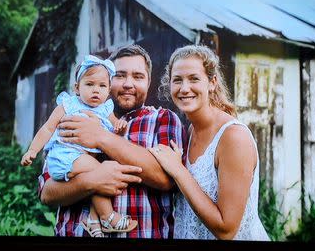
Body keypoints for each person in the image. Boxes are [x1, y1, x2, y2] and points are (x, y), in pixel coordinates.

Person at [38, 44, 187, 238]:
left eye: (138, 76)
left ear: (148, 82)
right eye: (120, 75)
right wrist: (91, 181)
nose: (128, 83)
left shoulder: (163, 119)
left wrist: (101, 137)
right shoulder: (74, 116)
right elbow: (47, 193)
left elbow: (167, 180)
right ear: (108, 82)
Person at [148, 44, 270, 241]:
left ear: (212, 82)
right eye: (177, 80)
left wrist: (179, 171)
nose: (184, 88)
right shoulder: (189, 130)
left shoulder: (233, 137)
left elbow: (226, 230)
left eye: (194, 79)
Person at [21, 55, 138, 237]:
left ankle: (93, 220)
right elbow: (47, 128)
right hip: (66, 158)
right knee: (102, 175)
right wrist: (32, 150)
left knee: (98, 181)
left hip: (82, 161)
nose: (95, 91)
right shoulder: (68, 105)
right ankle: (108, 217)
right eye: (89, 84)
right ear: (77, 88)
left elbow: (116, 129)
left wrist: (120, 126)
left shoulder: (105, 110)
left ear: (108, 91)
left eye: (102, 86)